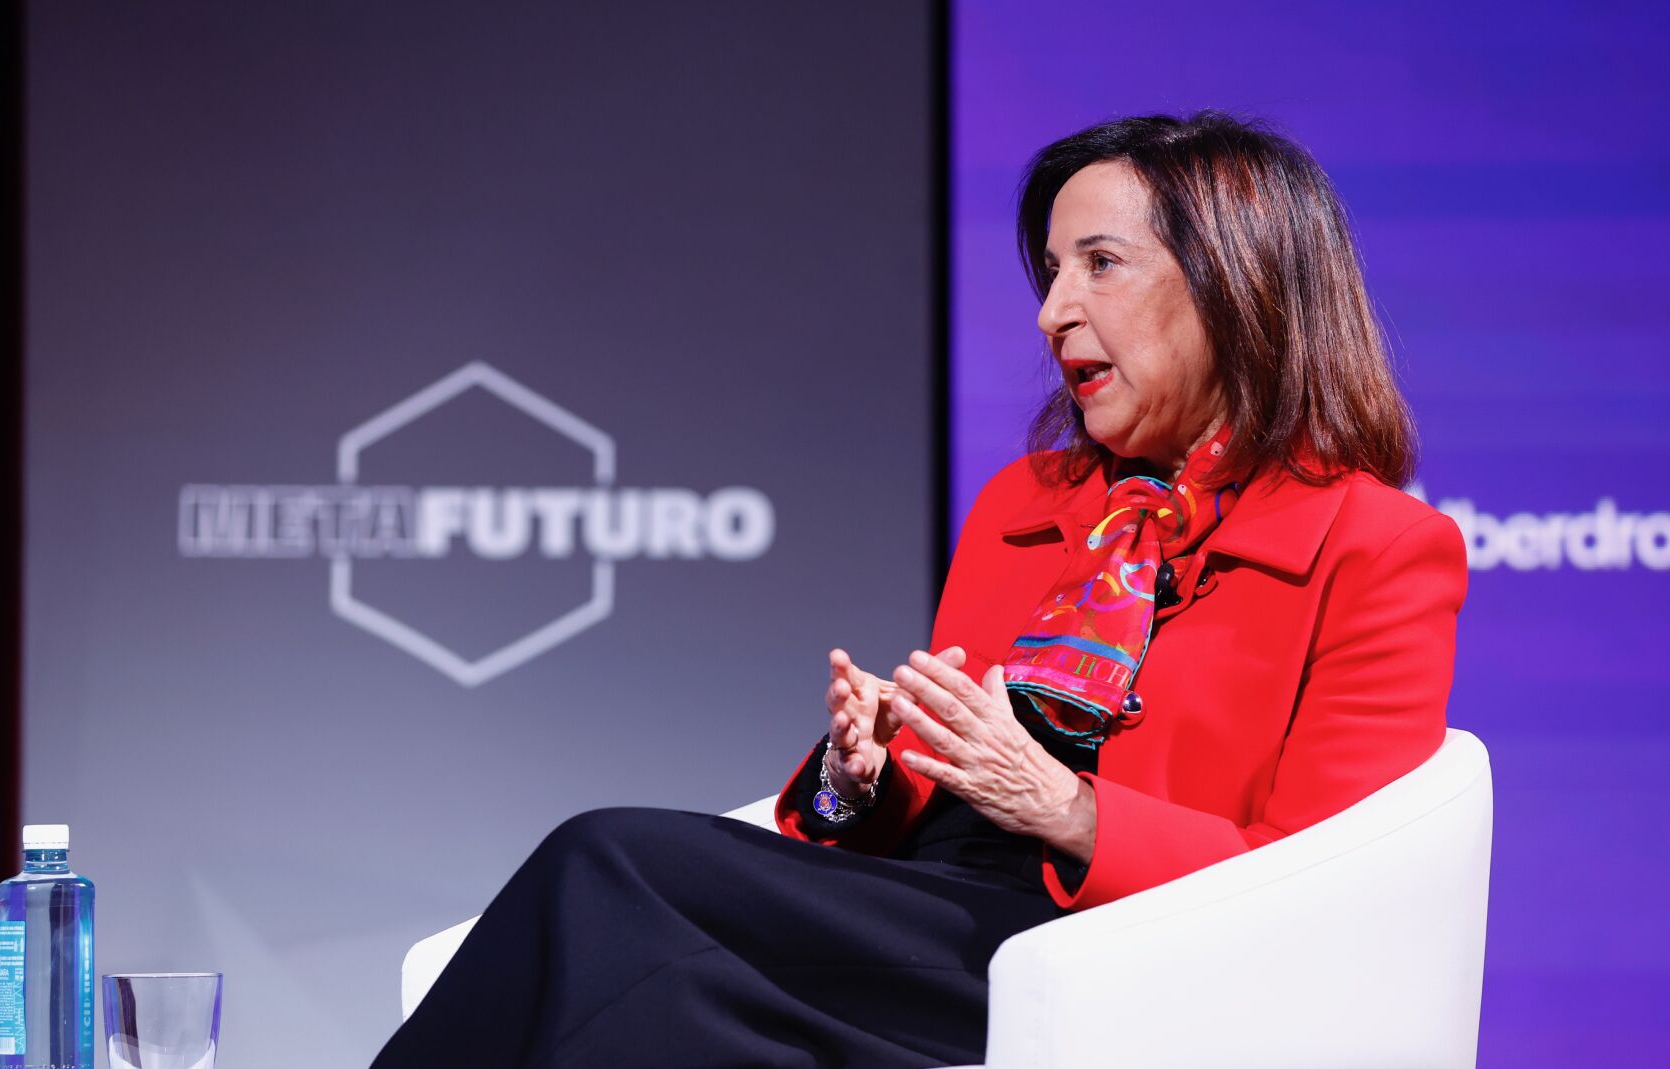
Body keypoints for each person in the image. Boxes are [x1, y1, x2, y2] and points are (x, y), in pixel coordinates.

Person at [371, 109, 1469, 1069]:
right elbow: (935, 786)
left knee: (606, 862)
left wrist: (1070, 811)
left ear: (1238, 284)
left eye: (1100, 264)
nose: (1053, 311)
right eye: (1052, 271)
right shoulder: (1023, 503)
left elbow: (1326, 889)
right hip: (923, 913)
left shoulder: (1376, 547)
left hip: (1104, 949)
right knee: (678, 1007)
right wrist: (858, 775)